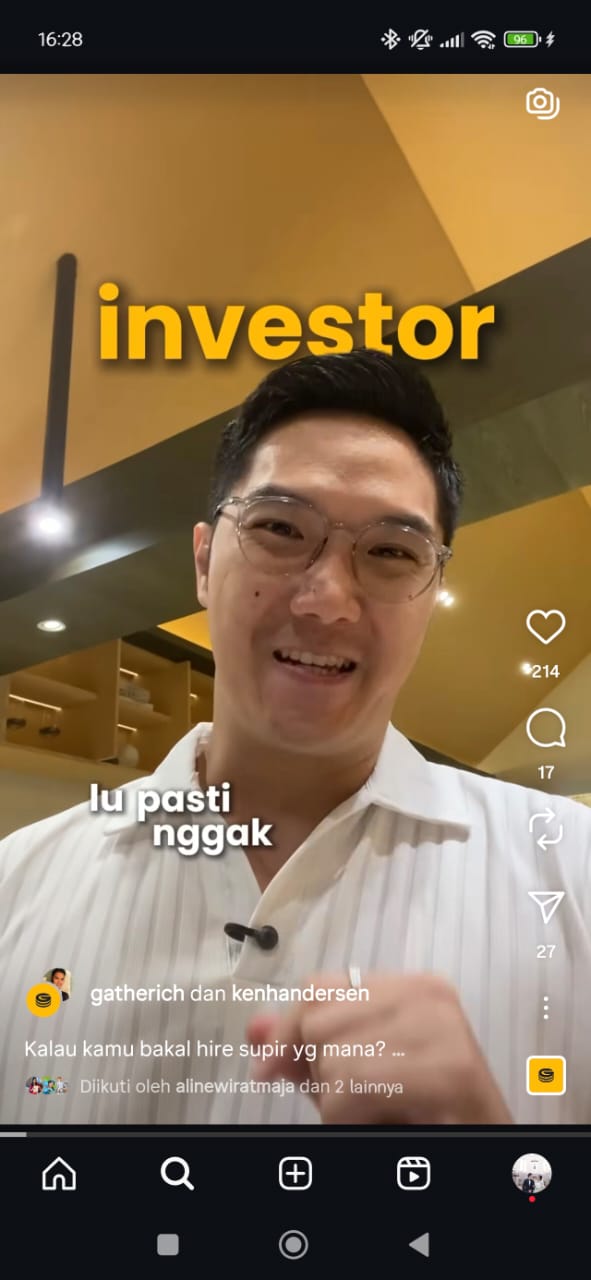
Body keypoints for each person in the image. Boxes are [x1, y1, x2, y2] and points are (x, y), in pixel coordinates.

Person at [0, 347, 589, 1127]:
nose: (326, 601)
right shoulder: (18, 884)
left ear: (430, 592)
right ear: (203, 561)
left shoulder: (571, 875)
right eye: (280, 528)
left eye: (389, 552)